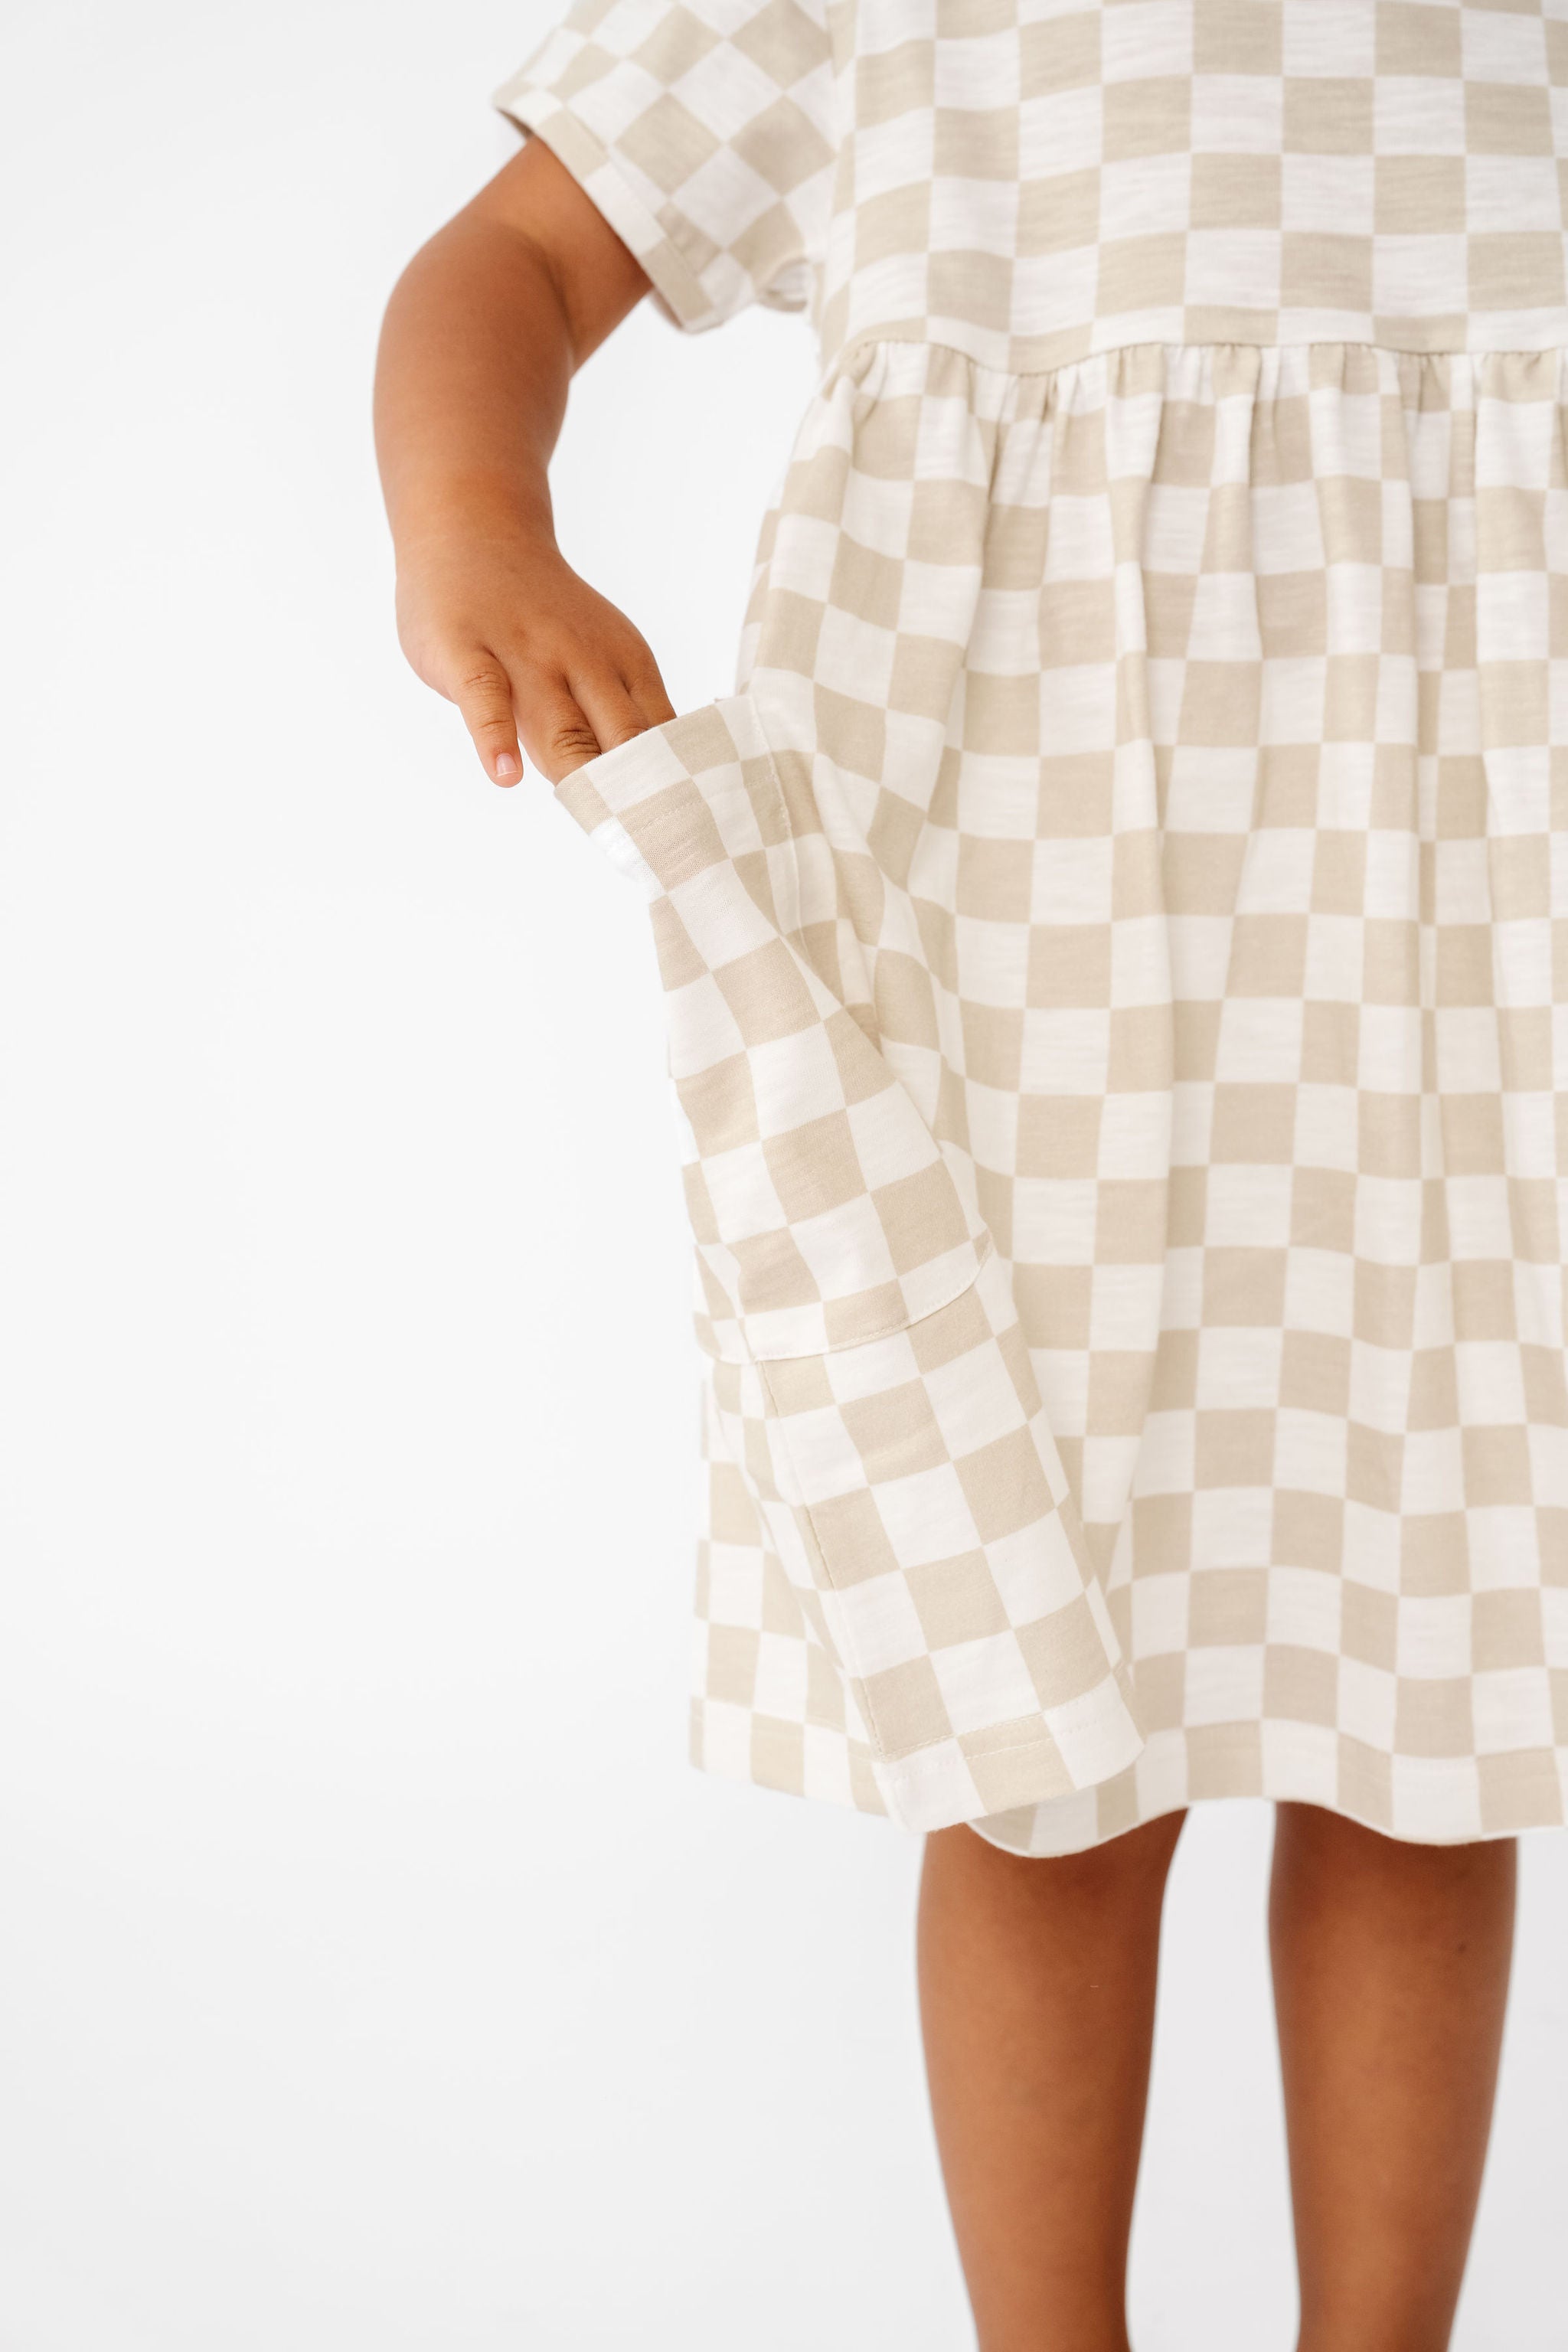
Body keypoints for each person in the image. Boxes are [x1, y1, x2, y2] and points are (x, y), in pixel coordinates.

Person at [373, 7, 1563, 2344]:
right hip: (1007, 941)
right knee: (1036, 1735)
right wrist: (474, 518)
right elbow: (508, 261)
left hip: (1466, 945)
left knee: (1432, 1727)